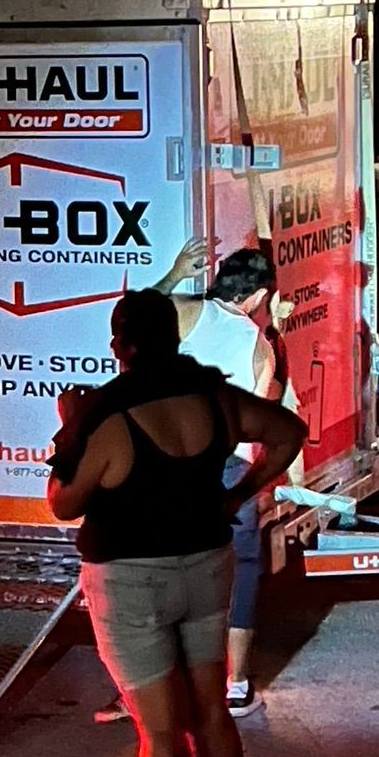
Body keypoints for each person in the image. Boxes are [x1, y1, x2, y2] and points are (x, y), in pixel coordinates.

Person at [47, 289, 306, 757]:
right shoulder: (212, 396)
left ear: (122, 348)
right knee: (212, 713)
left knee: (161, 735)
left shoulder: (106, 416)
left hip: (132, 582)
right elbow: (289, 432)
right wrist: (240, 495)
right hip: (206, 566)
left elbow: (64, 503)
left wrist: (69, 430)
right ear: (175, 338)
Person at [96, 239, 287, 722]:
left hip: (162, 465)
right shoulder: (260, 347)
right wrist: (246, 489)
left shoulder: (184, 312)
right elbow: (270, 419)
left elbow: (133, 316)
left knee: (158, 576)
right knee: (234, 577)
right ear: (261, 298)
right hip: (225, 469)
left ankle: (143, 689)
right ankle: (235, 687)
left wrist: (176, 273)